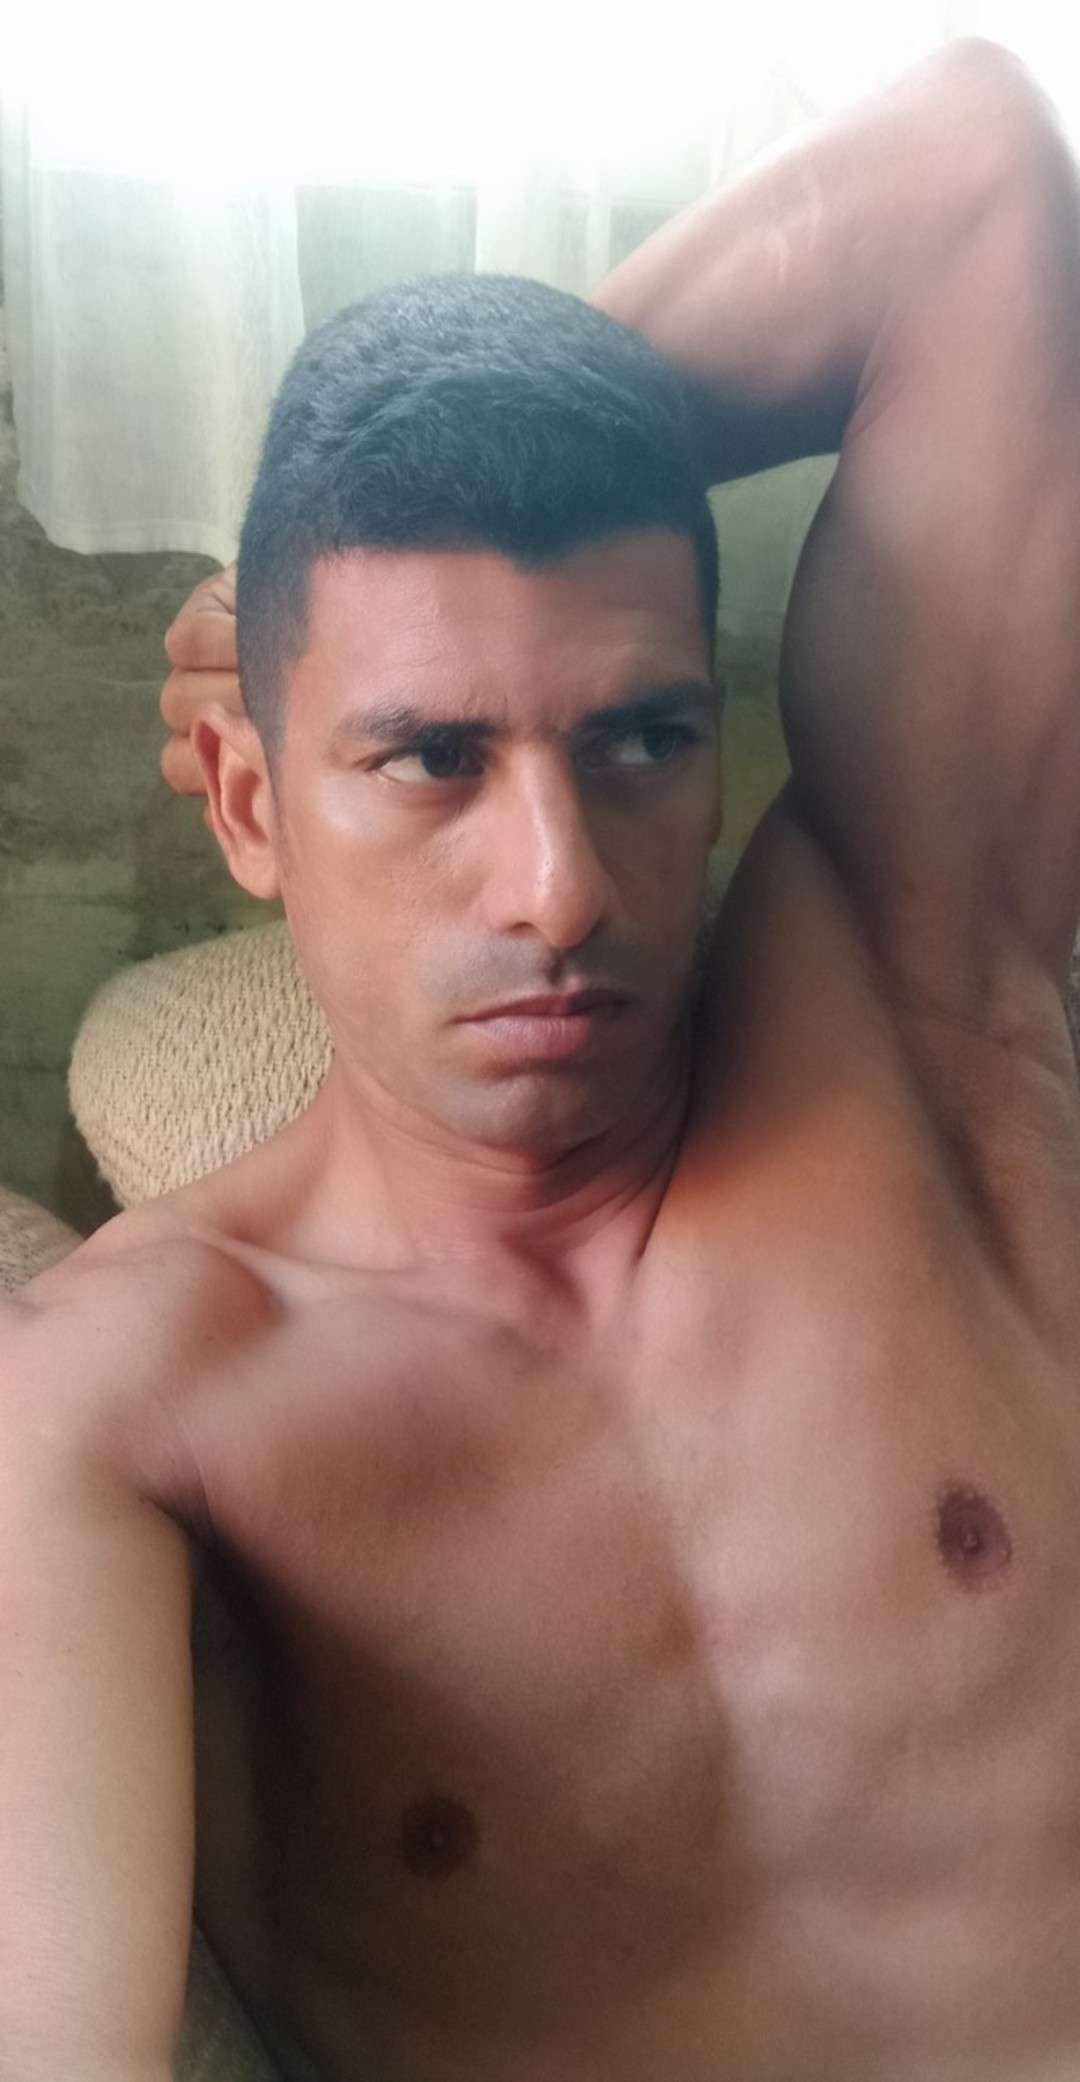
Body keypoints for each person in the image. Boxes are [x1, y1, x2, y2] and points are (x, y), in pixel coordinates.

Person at [5, 37, 1080, 2082]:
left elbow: (976, 172)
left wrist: (399, 490)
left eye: (641, 739)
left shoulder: (910, 1015)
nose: (565, 887)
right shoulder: (121, 1402)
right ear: (249, 799)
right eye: (430, 756)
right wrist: (316, 528)